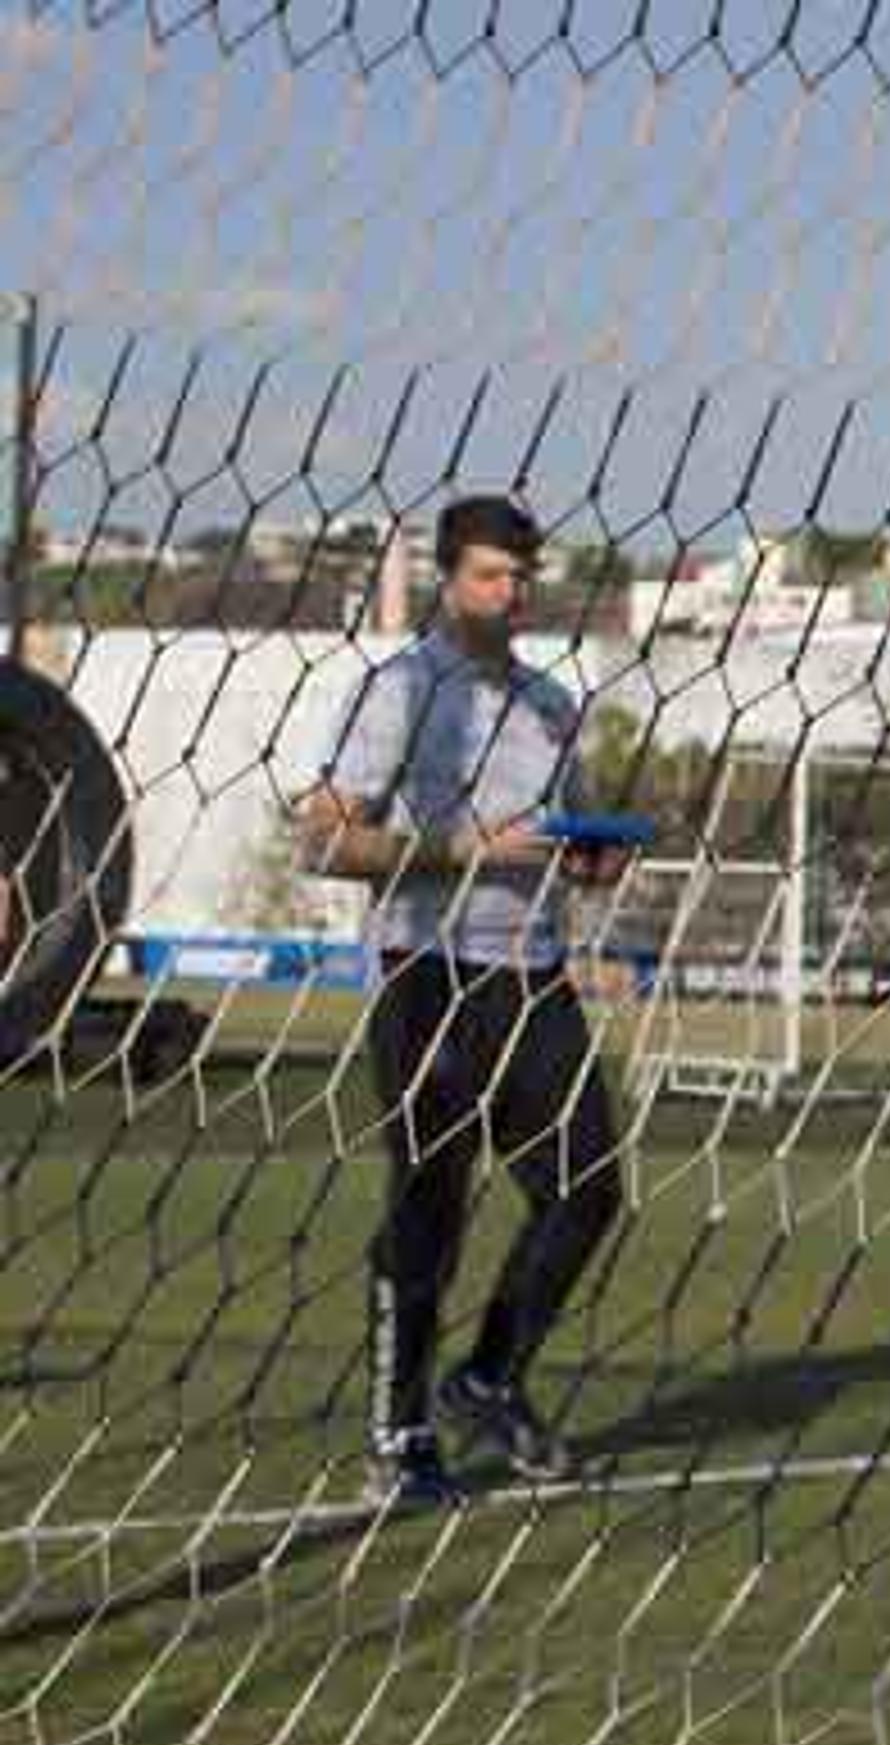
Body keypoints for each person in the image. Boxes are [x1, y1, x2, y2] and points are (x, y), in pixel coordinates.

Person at [294, 493, 631, 1509]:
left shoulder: (551, 702)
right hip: (425, 972)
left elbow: (559, 838)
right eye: (490, 573)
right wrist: (458, 850)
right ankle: (398, 1440)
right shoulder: (399, 690)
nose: (510, 591)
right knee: (429, 1202)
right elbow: (325, 838)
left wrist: (591, 860)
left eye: (522, 575)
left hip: (530, 978)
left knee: (590, 1185)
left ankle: (486, 1377)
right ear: (450, 577)